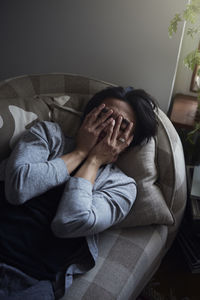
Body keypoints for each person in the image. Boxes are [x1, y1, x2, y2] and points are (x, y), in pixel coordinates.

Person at [0, 86, 158, 300]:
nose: (108, 126)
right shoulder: (48, 134)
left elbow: (70, 222)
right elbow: (17, 188)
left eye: (122, 126)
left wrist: (93, 161)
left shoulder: (121, 186)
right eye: (104, 115)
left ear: (130, 142)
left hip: (28, 281)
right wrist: (80, 152)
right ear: (87, 116)